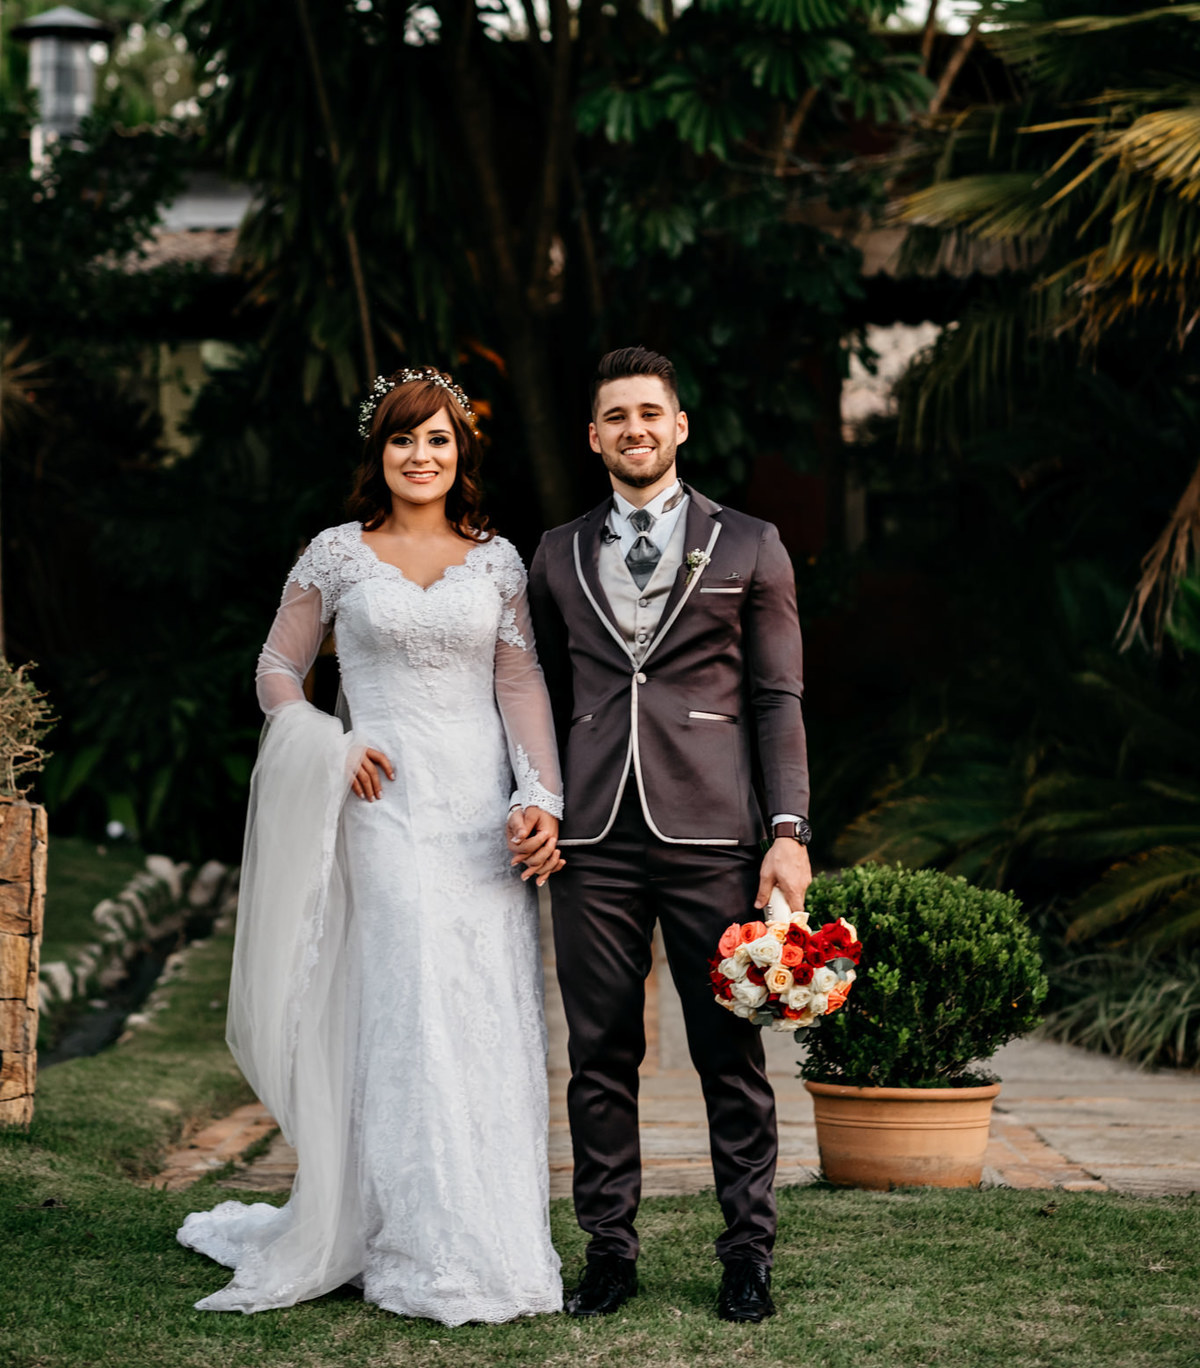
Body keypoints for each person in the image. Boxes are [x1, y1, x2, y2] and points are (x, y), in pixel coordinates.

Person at [179, 368, 565, 1325]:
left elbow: (519, 685)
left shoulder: (499, 562)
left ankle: (493, 1232)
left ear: (462, 452)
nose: (421, 455)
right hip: (383, 809)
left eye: (438, 439)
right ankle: (404, 1234)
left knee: (481, 998)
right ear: (379, 454)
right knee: (406, 999)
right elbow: (277, 668)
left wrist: (541, 796)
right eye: (403, 439)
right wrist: (330, 741)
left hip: (479, 814)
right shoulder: (337, 556)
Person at [512, 345, 811, 1325]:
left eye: (651, 413)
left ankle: (748, 1254)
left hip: (714, 832)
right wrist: (537, 797)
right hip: (592, 837)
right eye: (616, 417)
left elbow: (778, 699)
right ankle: (609, 1249)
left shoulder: (750, 543)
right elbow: (532, 694)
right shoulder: (553, 554)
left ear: (679, 426)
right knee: (599, 1050)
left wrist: (788, 829)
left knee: (729, 1051)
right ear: (594, 437)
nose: (635, 429)